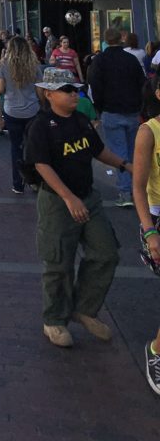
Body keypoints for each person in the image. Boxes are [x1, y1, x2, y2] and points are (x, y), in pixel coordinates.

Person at [24, 66, 129, 348]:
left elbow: (97, 150)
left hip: (89, 198)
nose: (74, 94)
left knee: (106, 252)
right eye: (67, 90)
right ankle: (54, 320)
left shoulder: (81, 120)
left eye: (76, 90)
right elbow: (41, 165)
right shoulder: (41, 126)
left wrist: (123, 164)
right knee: (58, 263)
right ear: (49, 94)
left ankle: (84, 308)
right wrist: (68, 197)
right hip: (57, 202)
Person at [88, 26, 146, 207]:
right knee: (133, 151)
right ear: (120, 39)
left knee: (119, 152)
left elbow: (95, 86)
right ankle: (138, 189)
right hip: (131, 111)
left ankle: (126, 192)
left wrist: (99, 108)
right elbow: (142, 85)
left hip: (111, 111)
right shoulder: (131, 59)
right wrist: (139, 107)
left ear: (105, 40)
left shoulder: (100, 61)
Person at [132, 78, 160, 394]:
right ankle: (156, 351)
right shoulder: (148, 131)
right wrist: (150, 231)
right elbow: (138, 187)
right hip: (156, 217)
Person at [0, 36, 41, 194]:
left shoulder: (3, 64)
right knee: (33, 147)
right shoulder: (34, 64)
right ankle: (34, 181)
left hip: (12, 110)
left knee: (16, 147)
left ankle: (17, 183)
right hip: (32, 110)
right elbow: (39, 90)